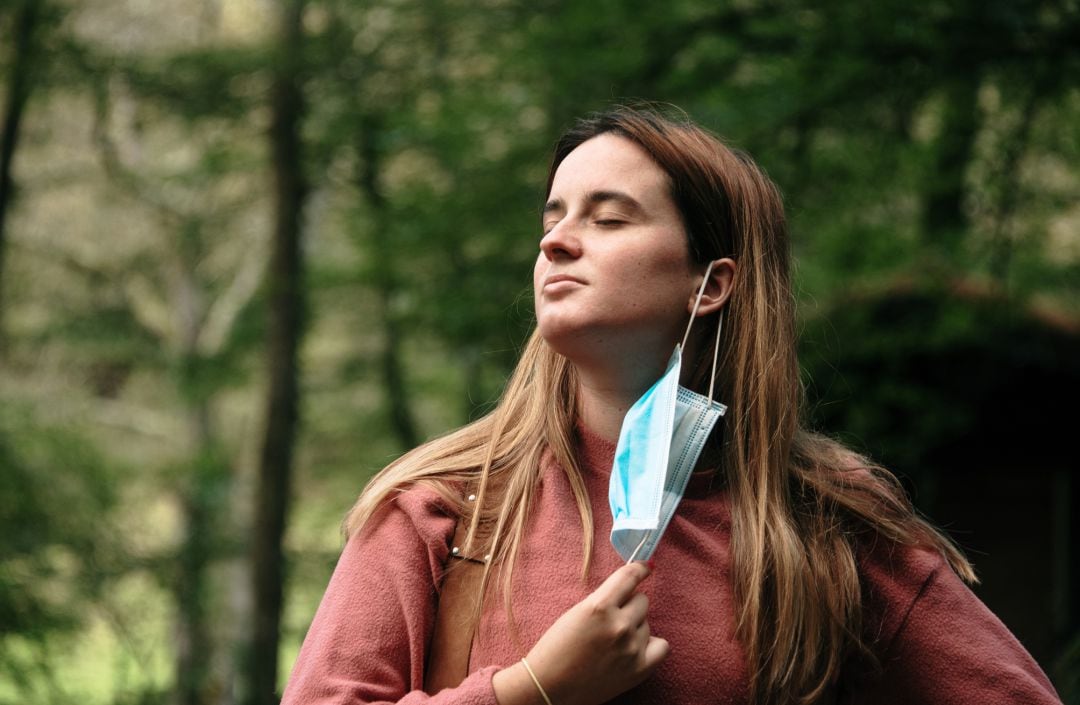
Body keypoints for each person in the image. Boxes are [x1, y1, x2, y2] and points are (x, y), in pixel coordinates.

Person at [281, 105, 1062, 705]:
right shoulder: (443, 506)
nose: (556, 242)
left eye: (608, 218)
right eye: (552, 219)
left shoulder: (828, 523)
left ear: (712, 282)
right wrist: (530, 690)